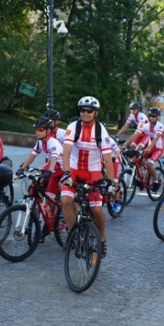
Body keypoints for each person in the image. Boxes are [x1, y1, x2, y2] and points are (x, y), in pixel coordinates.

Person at [61, 96, 117, 258]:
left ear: (95, 113)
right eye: (82, 110)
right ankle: (73, 236)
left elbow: (107, 159)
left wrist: (112, 183)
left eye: (89, 111)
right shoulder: (73, 127)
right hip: (74, 169)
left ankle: (102, 238)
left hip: (93, 172)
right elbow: (66, 151)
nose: (85, 113)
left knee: (97, 210)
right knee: (65, 200)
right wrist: (66, 173)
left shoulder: (101, 131)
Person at [124, 106, 164, 191]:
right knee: (136, 160)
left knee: (149, 164)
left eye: (153, 116)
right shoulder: (145, 126)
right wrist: (125, 144)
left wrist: (149, 147)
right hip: (149, 148)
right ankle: (140, 178)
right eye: (150, 115)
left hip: (158, 149)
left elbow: (156, 138)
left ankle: (156, 180)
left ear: (157, 117)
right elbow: (135, 135)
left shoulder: (160, 126)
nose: (151, 118)